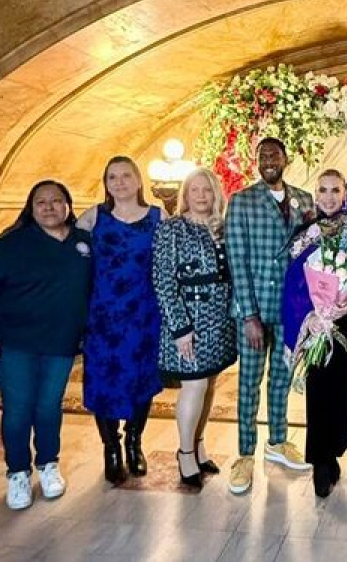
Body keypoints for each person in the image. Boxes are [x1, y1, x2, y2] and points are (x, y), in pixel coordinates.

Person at [0, 180, 92, 510]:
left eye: (56, 200)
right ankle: (18, 473)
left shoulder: (83, 243)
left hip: (61, 342)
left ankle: (48, 465)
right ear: (31, 207)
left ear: (68, 205)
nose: (49, 207)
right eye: (41, 202)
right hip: (17, 342)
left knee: (49, 406)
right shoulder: (11, 244)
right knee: (18, 409)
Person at [225, 137, 315, 494]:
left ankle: (277, 441)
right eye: (262, 156)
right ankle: (245, 454)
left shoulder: (304, 200)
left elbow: (310, 257)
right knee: (249, 383)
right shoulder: (242, 201)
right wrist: (248, 316)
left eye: (274, 155)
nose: (268, 161)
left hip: (289, 311)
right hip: (255, 312)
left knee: (281, 379)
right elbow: (237, 261)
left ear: (285, 159)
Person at [77, 156, 165, 485]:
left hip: (144, 314)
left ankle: (134, 442)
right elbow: (65, 252)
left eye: (126, 175)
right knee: (103, 380)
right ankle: (111, 447)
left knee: (142, 379)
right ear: (106, 183)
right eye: (112, 177)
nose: (120, 182)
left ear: (139, 180)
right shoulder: (94, 216)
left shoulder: (158, 216)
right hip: (103, 316)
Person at [281, 169, 347, 498]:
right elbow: (294, 282)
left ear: (345, 193)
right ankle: (319, 461)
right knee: (318, 390)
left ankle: (334, 452)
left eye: (335, 190)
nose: (329, 197)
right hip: (315, 323)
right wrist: (312, 316)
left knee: (342, 388)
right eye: (323, 190)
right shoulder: (304, 232)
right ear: (315, 194)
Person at [152, 168, 237, 489]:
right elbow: (163, 281)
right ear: (185, 195)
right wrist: (180, 328)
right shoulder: (172, 228)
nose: (201, 196)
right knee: (195, 385)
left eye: (207, 190)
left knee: (209, 384)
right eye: (195, 190)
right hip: (189, 320)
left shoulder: (222, 227)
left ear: (216, 194)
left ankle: (199, 446)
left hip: (219, 320)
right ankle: (185, 453)